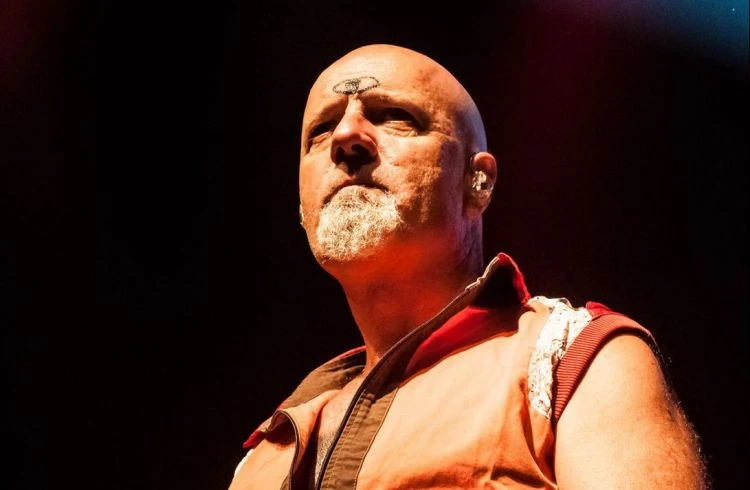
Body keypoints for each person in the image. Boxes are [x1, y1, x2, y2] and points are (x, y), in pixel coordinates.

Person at [228, 44, 708, 489]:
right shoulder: (266, 451)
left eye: (395, 117)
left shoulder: (576, 360)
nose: (347, 136)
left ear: (477, 182)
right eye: (320, 130)